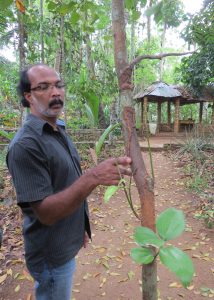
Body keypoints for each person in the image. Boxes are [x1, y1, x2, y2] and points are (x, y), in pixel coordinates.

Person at [6, 63, 132, 300]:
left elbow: (66, 182)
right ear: (28, 96)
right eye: (43, 87)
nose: (55, 92)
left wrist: (79, 227)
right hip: (50, 254)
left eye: (58, 85)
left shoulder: (57, 128)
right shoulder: (26, 145)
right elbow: (46, 213)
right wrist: (94, 176)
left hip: (65, 241)